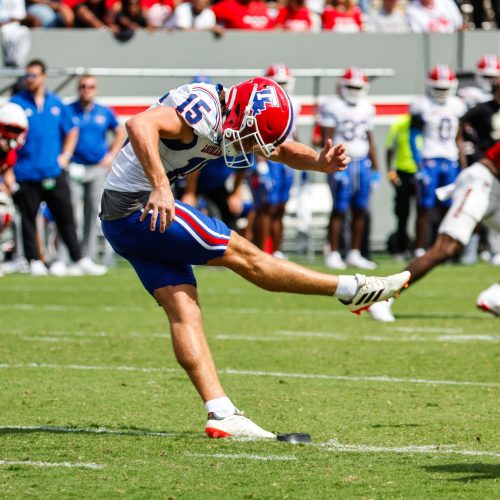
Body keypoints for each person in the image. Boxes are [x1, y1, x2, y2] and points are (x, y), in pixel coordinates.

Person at [99, 75, 411, 438]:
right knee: (244, 253)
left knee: (184, 310)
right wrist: (161, 185)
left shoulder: (236, 117)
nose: (250, 147)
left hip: (119, 221)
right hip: (137, 207)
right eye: (251, 136)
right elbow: (140, 123)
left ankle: (220, 413)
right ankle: (350, 289)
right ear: (244, 116)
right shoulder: (203, 111)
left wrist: (318, 162)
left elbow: (277, 149)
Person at [369, 140, 500, 322]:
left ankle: (496, 296)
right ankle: (383, 297)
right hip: (481, 184)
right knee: (445, 248)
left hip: (495, 189)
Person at [10, 59, 107, 276]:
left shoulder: (55, 103)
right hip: (26, 171)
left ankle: (78, 259)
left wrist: (65, 155)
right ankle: (33, 259)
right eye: (27, 76)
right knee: (28, 218)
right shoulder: (16, 103)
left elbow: (71, 130)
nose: (30, 80)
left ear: (43, 76)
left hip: (53, 171)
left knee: (66, 216)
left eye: (34, 75)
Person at [319, 66, 379, 270]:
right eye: (351, 86)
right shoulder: (333, 105)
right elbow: (327, 139)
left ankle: (354, 252)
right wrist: (330, 163)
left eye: (358, 87)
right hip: (341, 162)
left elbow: (370, 140)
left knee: (361, 208)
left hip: (363, 161)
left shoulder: (367, 107)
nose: (354, 91)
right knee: (339, 209)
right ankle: (334, 252)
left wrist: (376, 169)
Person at [67, 75, 125, 263]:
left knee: (93, 213)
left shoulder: (103, 112)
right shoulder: (69, 110)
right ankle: (67, 257)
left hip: (96, 168)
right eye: (83, 86)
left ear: (96, 89)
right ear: (78, 89)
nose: (87, 90)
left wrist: (110, 156)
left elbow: (120, 131)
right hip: (74, 167)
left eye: (91, 86)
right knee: (68, 212)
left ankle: (88, 257)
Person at [410, 64, 466, 257]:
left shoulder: (457, 105)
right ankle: (419, 247)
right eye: (438, 88)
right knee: (425, 206)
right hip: (429, 158)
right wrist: (419, 164)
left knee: (448, 207)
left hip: (450, 160)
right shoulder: (422, 104)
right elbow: (413, 136)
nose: (442, 92)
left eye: (445, 88)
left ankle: (442, 248)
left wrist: (463, 165)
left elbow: (459, 137)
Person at [249, 64, 299, 258]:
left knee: (281, 207)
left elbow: (294, 133)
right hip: (269, 156)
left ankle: (277, 251)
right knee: (266, 206)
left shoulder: (294, 103)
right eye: (278, 83)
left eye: (284, 83)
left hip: (287, 159)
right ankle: (262, 252)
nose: (282, 87)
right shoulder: (261, 103)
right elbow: (255, 134)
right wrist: (260, 163)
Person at [385, 114, 421, 260]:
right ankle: (400, 249)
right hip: (403, 173)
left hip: (422, 171)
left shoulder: (428, 123)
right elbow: (389, 147)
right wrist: (390, 172)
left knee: (424, 212)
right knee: (402, 214)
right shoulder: (400, 123)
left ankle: (420, 247)